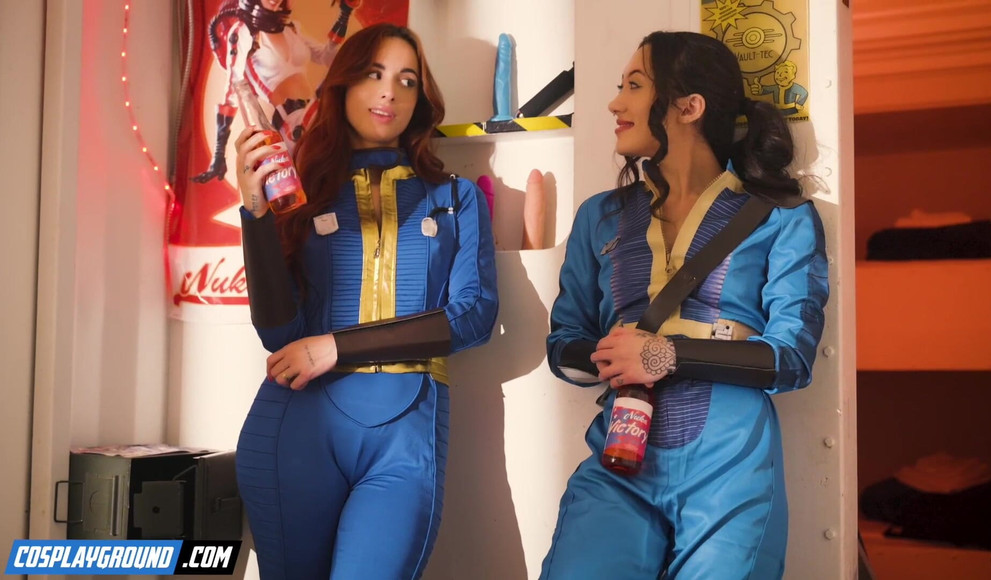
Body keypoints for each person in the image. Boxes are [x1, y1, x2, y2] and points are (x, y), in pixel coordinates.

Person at [540, 31, 829, 579]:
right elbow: (562, 344)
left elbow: (791, 359)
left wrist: (662, 354)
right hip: (619, 452)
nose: (615, 103)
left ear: (689, 107)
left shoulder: (782, 216)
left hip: (731, 461)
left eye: (634, 85)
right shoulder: (599, 216)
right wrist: (609, 354)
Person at [232, 23, 498, 579]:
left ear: (421, 99)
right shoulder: (297, 193)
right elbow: (280, 336)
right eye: (374, 74)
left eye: (407, 80)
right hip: (294, 428)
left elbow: (474, 316)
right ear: (343, 85)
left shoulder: (455, 197)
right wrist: (255, 214)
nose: (389, 92)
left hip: (404, 439)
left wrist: (335, 346)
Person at [193, 0, 353, 183]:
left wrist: (344, 15)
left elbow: (327, 57)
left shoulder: (291, 28)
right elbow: (234, 89)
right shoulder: (244, 32)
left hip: (315, 114)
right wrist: (219, 155)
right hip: (291, 125)